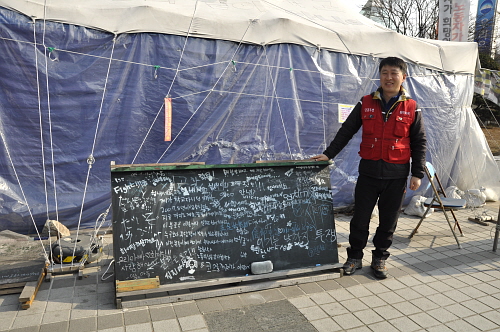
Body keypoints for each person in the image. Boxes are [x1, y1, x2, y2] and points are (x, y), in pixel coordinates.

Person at [311, 57, 426, 279]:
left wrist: (417, 173)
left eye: (394, 73)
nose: (389, 77)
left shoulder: (412, 107)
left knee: (388, 221)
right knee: (360, 219)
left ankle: (380, 258)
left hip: (397, 175)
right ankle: (354, 257)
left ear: (404, 77)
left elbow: (419, 141)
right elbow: (347, 131)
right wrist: (328, 154)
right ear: (380, 76)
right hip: (369, 173)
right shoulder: (366, 103)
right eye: (384, 72)